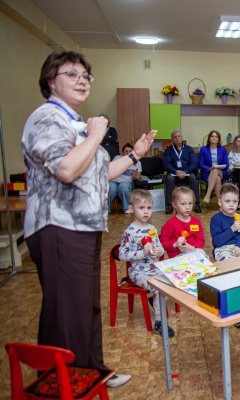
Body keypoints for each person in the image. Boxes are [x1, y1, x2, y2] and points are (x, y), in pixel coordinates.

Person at [22, 50, 156, 388]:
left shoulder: (77, 125)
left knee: (85, 305)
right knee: (66, 309)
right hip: (58, 226)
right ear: (50, 81)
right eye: (72, 74)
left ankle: (92, 370)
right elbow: (66, 170)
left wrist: (135, 155)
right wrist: (97, 134)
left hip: (82, 227)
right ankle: (62, 382)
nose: (82, 81)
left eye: (85, 76)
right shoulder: (47, 118)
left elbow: (101, 174)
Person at [118, 189, 174, 337]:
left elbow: (161, 247)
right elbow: (122, 254)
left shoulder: (152, 229)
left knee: (171, 282)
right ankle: (159, 323)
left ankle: (154, 300)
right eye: (141, 208)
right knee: (158, 288)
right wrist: (142, 253)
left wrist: (158, 251)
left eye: (149, 208)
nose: (146, 212)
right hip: (138, 273)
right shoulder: (129, 232)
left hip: (154, 269)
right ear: (131, 209)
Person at [210, 183, 240, 328]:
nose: (231, 205)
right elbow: (216, 242)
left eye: (234, 201)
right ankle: (235, 309)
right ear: (220, 202)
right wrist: (232, 229)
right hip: (222, 249)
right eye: (227, 201)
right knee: (232, 271)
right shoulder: (216, 219)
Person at [160, 187, 205, 259]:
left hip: (193, 251)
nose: (187, 207)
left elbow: (201, 239)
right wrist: (175, 244)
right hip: (177, 256)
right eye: (183, 204)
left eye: (190, 203)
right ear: (174, 205)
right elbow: (162, 243)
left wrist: (192, 247)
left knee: (205, 258)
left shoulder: (196, 221)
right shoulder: (170, 223)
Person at [163, 129, 201, 214]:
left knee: (193, 178)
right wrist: (176, 171)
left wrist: (185, 171)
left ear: (182, 137)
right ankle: (169, 205)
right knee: (169, 179)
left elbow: (194, 163)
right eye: (175, 137)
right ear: (172, 139)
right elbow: (167, 164)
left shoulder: (189, 149)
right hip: (174, 174)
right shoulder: (168, 150)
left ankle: (196, 204)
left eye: (179, 136)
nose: (177, 138)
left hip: (187, 173)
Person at [108, 143, 141, 213]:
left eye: (130, 151)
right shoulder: (117, 158)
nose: (128, 153)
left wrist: (134, 176)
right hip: (114, 180)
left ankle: (126, 208)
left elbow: (138, 177)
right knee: (110, 188)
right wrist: (124, 169)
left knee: (123, 188)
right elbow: (112, 169)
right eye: (126, 151)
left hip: (126, 182)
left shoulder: (137, 162)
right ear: (123, 152)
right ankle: (106, 209)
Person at [199, 130, 229, 204]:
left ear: (218, 140)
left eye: (216, 137)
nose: (214, 138)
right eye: (212, 136)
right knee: (217, 179)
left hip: (221, 172)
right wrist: (210, 168)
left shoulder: (222, 149)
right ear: (209, 138)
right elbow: (201, 164)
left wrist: (218, 167)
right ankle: (221, 203)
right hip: (207, 172)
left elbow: (227, 164)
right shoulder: (203, 149)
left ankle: (208, 194)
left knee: (215, 170)